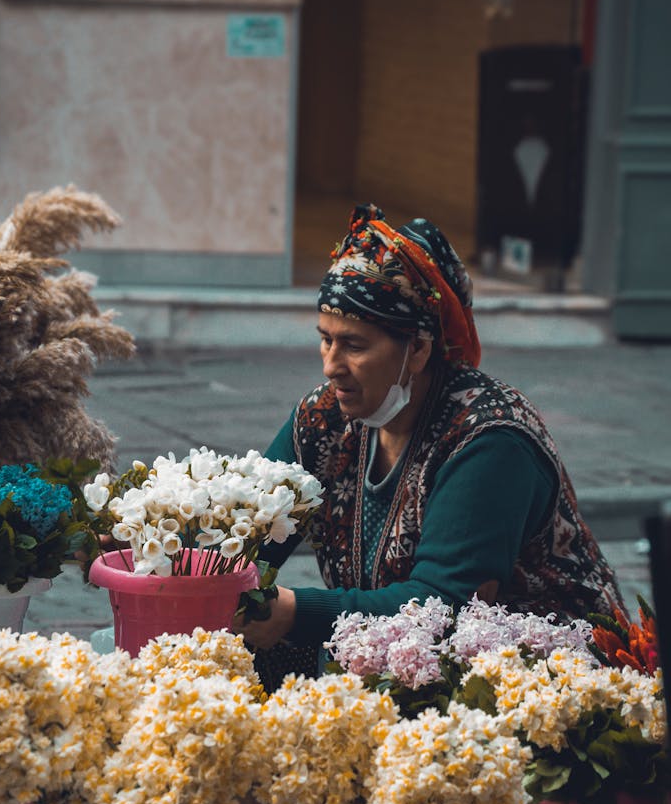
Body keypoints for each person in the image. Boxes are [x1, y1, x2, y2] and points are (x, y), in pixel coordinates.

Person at [235, 203, 625, 678]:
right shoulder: (326, 419)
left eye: (354, 345)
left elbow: (446, 606)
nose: (330, 364)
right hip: (390, 652)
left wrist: (296, 611)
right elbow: (249, 527)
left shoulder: (489, 440)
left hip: (533, 677)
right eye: (326, 339)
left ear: (417, 349)